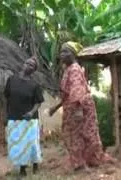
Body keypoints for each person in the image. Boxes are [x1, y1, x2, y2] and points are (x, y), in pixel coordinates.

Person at [49, 41, 115, 172]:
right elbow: (67, 94)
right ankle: (90, 159)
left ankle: (80, 164)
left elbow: (77, 90)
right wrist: (55, 108)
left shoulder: (74, 69)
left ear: (73, 54)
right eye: (61, 52)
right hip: (74, 107)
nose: (62, 55)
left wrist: (78, 110)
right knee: (84, 134)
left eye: (66, 51)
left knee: (78, 135)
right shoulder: (68, 70)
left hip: (79, 108)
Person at [4, 57, 44, 177]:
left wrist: (31, 112)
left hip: (29, 120)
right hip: (14, 117)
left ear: (34, 70)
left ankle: (35, 164)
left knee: (31, 144)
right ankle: (22, 168)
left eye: (32, 65)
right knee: (18, 144)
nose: (28, 66)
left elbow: (38, 102)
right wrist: (6, 115)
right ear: (23, 64)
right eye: (27, 63)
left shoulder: (35, 84)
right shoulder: (11, 80)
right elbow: (7, 98)